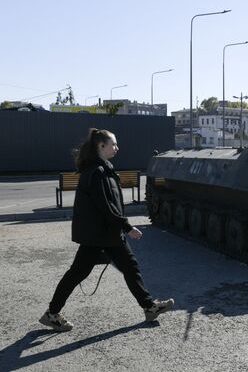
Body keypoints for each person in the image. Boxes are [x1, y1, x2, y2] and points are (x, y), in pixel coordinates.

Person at [40, 128, 173, 331]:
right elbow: (105, 206)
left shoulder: (103, 169)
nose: (117, 148)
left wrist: (121, 227)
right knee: (77, 273)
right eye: (114, 144)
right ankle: (52, 313)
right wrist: (127, 227)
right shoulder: (96, 172)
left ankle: (149, 306)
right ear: (101, 146)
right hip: (98, 235)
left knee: (130, 267)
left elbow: (110, 204)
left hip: (107, 233)